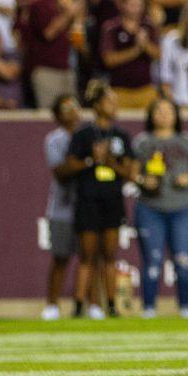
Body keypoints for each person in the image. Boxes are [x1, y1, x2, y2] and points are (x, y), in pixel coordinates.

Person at [62, 80, 134, 320]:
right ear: (97, 105)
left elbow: (130, 171)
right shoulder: (84, 134)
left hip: (112, 198)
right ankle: (79, 305)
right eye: (109, 101)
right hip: (89, 199)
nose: (114, 106)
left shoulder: (121, 135)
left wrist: (110, 161)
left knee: (110, 255)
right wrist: (92, 160)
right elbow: (69, 165)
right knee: (87, 255)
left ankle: (111, 305)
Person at [132, 97, 188, 318]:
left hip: (182, 205)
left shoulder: (185, 141)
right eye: (159, 110)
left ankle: (185, 307)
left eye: (168, 110)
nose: (163, 114)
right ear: (151, 115)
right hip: (151, 206)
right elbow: (133, 171)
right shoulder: (143, 142)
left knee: (184, 259)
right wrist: (144, 181)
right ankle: (149, 308)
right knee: (152, 261)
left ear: (176, 116)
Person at [42, 95, 81, 320]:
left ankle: (86, 304)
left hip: (87, 205)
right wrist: (84, 162)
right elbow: (61, 172)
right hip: (63, 206)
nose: (73, 111)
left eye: (75, 105)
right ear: (57, 115)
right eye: (66, 107)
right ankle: (52, 304)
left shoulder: (87, 133)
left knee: (89, 259)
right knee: (61, 257)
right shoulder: (54, 139)